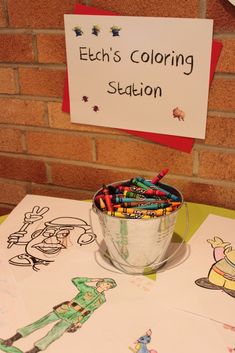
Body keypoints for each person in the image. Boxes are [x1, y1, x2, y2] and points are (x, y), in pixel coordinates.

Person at [2, 277, 117, 353]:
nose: (106, 287)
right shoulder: (87, 288)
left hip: (74, 318)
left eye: (109, 287)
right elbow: (76, 280)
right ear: (101, 282)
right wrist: (93, 279)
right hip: (65, 310)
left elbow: (91, 311)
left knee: (55, 335)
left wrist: (80, 323)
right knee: (39, 323)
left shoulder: (102, 299)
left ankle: (32, 351)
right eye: (106, 284)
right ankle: (12, 339)